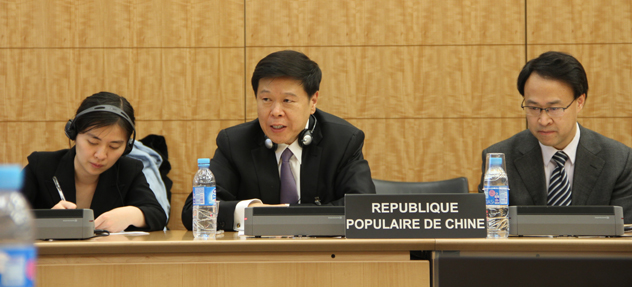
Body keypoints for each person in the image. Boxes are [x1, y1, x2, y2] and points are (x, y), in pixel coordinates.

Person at [181, 50, 376, 231]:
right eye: (266, 99)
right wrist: (252, 211)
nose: (275, 112)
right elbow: (195, 212)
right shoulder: (235, 143)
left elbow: (364, 208)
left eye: (287, 101)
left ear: (313, 101)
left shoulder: (343, 141)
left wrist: (286, 218)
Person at [479, 51, 632, 224]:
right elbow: (490, 228)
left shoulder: (617, 159)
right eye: (533, 108)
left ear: (579, 102)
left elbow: (628, 231)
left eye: (554, 108)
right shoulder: (500, 159)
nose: (543, 120)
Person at [21, 92, 167, 232]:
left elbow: (158, 215)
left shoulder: (128, 170)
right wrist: (44, 220)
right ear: (73, 133)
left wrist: (131, 214)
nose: (101, 155)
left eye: (114, 146)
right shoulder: (40, 166)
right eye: (92, 142)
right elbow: (9, 217)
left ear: (127, 147)